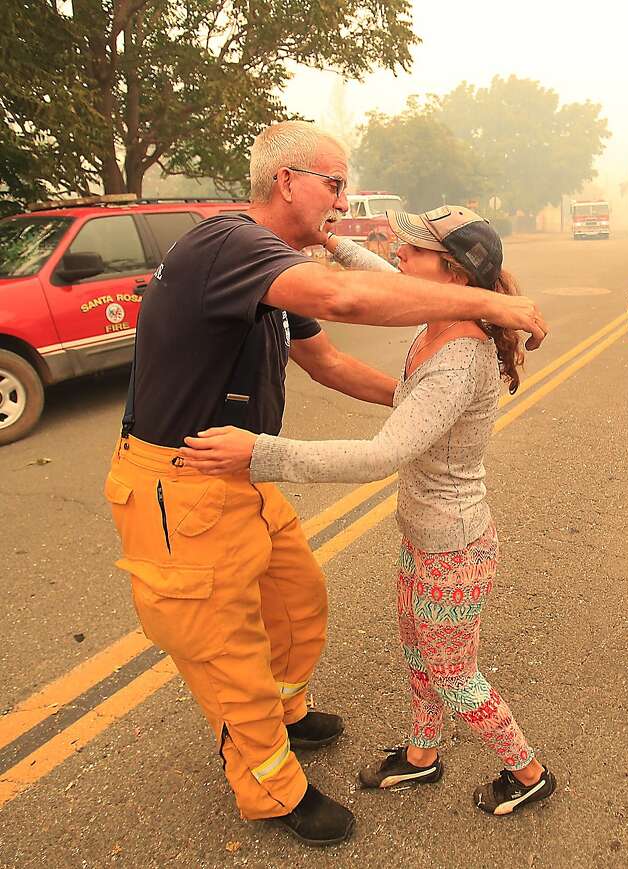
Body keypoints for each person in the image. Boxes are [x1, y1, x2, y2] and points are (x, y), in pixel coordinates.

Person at [102, 121, 548, 847]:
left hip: (243, 467)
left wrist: (419, 408)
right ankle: (273, 788)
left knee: (298, 601)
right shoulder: (233, 246)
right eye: (334, 184)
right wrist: (490, 306)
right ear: (287, 180)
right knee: (227, 646)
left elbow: (331, 360)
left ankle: (288, 712)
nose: (344, 201)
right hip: (181, 478)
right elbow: (350, 296)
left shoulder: (274, 264)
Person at [181, 205, 557, 818]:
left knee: (455, 672)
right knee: (417, 650)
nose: (399, 256)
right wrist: (329, 239)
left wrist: (260, 455)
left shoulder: (460, 356)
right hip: (425, 537)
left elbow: (384, 453)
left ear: (455, 275)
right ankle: (422, 755)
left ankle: (528, 770)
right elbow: (383, 275)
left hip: (454, 547)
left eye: (415, 252)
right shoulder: (439, 315)